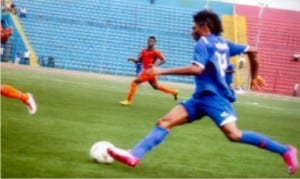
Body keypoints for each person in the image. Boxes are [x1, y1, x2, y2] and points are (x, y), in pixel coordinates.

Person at [107, 10, 299, 175]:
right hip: (200, 98)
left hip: (215, 98)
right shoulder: (225, 44)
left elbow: (197, 69)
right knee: (164, 122)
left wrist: (161, 70)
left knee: (234, 135)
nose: (192, 31)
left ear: (204, 26)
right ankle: (134, 155)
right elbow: (253, 51)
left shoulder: (203, 43)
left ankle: (286, 150)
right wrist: (255, 75)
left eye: (194, 28)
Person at [120, 36, 179, 105]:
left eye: (152, 41)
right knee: (156, 87)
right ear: (147, 42)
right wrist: (133, 59)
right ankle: (174, 92)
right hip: (148, 72)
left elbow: (163, 60)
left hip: (150, 72)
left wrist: (154, 65)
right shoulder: (143, 51)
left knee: (134, 82)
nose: (151, 43)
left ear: (155, 43)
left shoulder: (156, 52)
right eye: (149, 41)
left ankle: (128, 101)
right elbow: (139, 61)